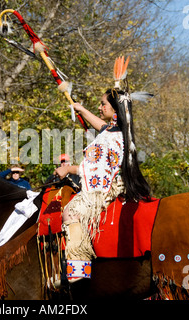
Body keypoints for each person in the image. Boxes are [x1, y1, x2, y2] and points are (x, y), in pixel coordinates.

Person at [53, 57, 151, 281]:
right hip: (113, 183)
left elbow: (94, 171)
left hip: (103, 191)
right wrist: (81, 108)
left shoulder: (110, 139)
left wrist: (69, 170)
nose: (99, 107)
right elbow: (100, 124)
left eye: (103, 105)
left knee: (70, 211)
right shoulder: (118, 132)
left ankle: (78, 269)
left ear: (114, 111)